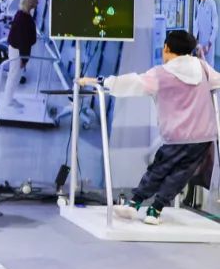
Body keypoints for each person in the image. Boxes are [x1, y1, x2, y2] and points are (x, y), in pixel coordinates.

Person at [78, 30, 220, 225]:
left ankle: (134, 203)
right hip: (202, 136)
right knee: (180, 175)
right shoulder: (203, 68)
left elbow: (130, 83)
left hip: (175, 136)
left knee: (159, 169)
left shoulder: (160, 74)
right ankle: (155, 210)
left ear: (166, 48)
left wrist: (100, 81)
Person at [3, 0, 38, 107]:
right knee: (14, 76)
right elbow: (23, 41)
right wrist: (24, 59)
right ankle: (8, 101)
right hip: (18, 52)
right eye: (35, 1)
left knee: (14, 75)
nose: (37, 3)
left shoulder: (21, 14)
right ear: (30, 3)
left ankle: (9, 98)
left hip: (16, 50)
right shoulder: (24, 19)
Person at [193, 0, 217, 67]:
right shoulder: (200, 5)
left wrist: (209, 44)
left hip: (208, 43)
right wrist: (194, 37)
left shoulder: (211, 3)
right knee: (201, 65)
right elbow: (196, 23)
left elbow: (215, 26)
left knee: (209, 66)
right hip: (201, 42)